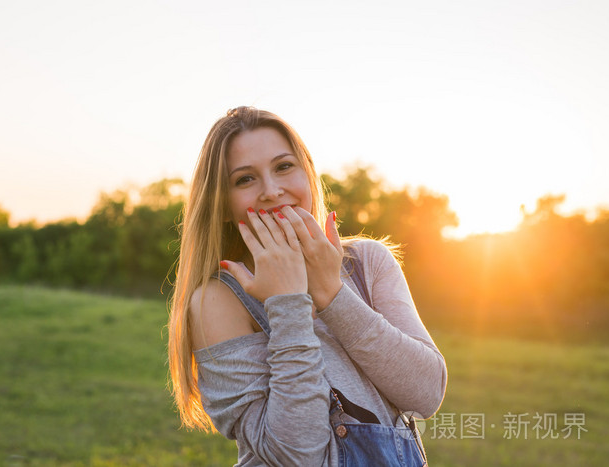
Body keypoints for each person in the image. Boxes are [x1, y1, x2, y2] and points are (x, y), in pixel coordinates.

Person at [168, 106, 447, 466]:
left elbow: (426, 394)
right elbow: (298, 454)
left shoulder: (367, 263)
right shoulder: (218, 300)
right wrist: (287, 303)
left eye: (284, 167)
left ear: (307, 173)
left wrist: (333, 295)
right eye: (245, 180)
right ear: (223, 204)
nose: (272, 190)